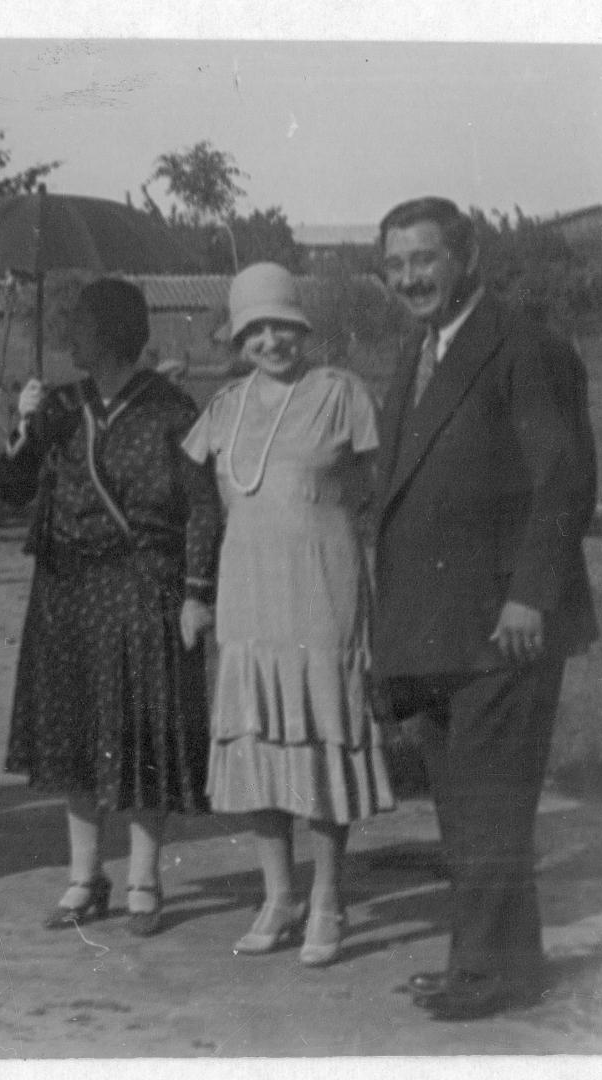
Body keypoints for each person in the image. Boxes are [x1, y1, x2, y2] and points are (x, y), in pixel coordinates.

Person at [371, 198, 597, 1021]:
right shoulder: (418, 352)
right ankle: (486, 963)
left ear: (466, 257)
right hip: (435, 626)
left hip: (504, 625)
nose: (409, 279)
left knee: (493, 804)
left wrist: (529, 594)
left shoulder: (524, 349)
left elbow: (563, 480)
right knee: (466, 807)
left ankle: (493, 974)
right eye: (395, 266)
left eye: (424, 260)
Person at [181, 263, 395, 966]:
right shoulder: (223, 409)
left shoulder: (340, 395)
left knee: (318, 741)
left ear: (302, 328)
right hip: (248, 596)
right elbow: (205, 510)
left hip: (321, 592)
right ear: (238, 339)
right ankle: (279, 896)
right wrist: (198, 594)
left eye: (282, 326)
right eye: (255, 330)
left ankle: (328, 898)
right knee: (259, 746)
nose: (271, 341)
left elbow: (371, 492)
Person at [0, 279, 221, 937]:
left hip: (142, 585)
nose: (70, 336)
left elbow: (203, 506)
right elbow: (10, 492)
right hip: (67, 590)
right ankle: (84, 878)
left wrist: (197, 593)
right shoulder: (60, 407)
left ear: (117, 332)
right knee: (75, 733)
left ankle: (144, 879)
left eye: (83, 324)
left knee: (143, 732)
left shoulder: (173, 410)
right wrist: (23, 424)